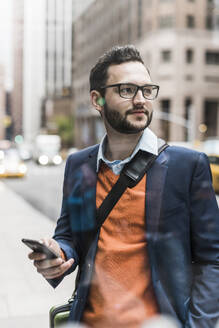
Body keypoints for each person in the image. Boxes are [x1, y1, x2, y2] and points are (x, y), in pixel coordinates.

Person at [28, 45, 219, 328]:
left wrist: (199, 325)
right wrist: (57, 256)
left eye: (146, 90)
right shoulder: (79, 164)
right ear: (98, 99)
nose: (141, 100)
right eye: (126, 90)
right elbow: (72, 237)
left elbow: (212, 259)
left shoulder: (188, 166)